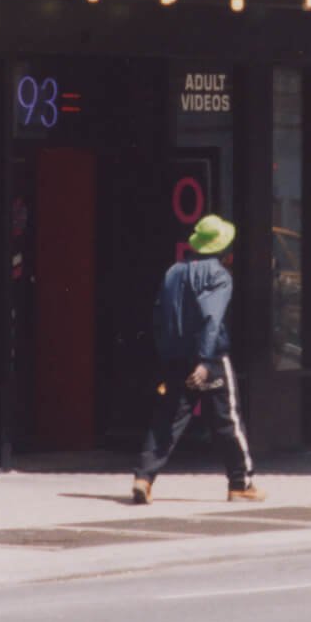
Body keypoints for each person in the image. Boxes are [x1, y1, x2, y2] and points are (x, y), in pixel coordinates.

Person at [132, 215, 264, 504]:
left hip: (176, 357)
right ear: (222, 248)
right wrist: (204, 361)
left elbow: (158, 318)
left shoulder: (173, 272)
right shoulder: (219, 276)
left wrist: (167, 356)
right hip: (210, 358)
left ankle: (143, 476)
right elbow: (211, 319)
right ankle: (240, 483)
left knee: (167, 419)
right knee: (228, 420)